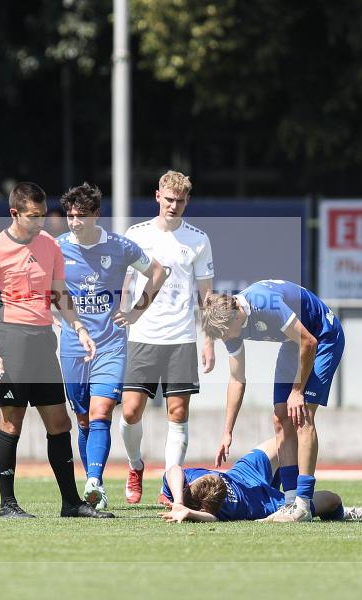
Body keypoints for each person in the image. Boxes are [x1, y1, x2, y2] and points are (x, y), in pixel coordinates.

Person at [0, 181, 112, 519]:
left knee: (59, 423)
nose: (40, 223)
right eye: (33, 217)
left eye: (44, 216)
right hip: (9, 338)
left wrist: (78, 327)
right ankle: (8, 505)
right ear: (14, 213)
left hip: (43, 339)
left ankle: (70, 503)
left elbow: (59, 293)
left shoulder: (50, 245)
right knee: (11, 423)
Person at [56, 183, 167, 509]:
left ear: (96, 215)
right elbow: (45, 284)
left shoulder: (120, 247)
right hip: (73, 346)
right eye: (69, 215)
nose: (74, 222)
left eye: (81, 216)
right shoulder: (58, 247)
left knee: (101, 410)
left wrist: (136, 310)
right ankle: (94, 482)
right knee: (84, 419)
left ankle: (94, 482)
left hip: (110, 345)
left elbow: (159, 271)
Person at [201, 279, 345, 522]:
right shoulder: (229, 323)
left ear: (237, 314)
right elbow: (237, 378)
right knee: (280, 418)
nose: (226, 339)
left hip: (322, 336)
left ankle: (303, 503)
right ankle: (290, 502)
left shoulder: (265, 305)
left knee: (302, 416)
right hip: (294, 343)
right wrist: (227, 432)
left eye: (225, 333)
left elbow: (309, 342)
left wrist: (297, 391)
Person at [120, 170, 215, 505]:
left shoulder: (198, 240)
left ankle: (170, 484)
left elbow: (206, 296)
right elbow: (128, 283)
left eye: (180, 200)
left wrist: (208, 340)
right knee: (130, 412)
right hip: (143, 336)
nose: (174, 205)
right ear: (157, 196)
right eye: (169, 199)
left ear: (187, 201)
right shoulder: (137, 234)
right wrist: (124, 319)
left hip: (181, 339)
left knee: (177, 412)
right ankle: (135, 465)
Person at [159, 436, 362, 523]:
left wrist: (178, 502)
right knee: (332, 499)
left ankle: (279, 478)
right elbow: (212, 519)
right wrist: (187, 512)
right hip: (264, 502)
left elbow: (174, 469)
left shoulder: (190, 483)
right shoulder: (216, 510)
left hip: (241, 474)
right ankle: (342, 513)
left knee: (286, 439)